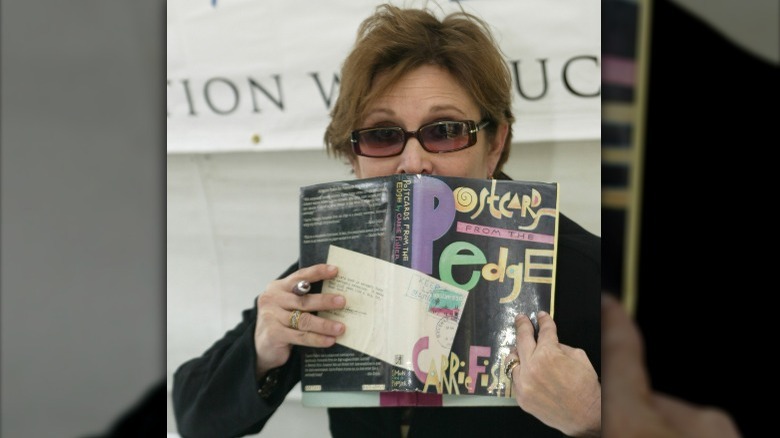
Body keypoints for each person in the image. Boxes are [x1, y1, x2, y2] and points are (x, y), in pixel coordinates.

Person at [172, 4, 601, 437]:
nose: (413, 163)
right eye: (382, 135)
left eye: (445, 130)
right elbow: (195, 419)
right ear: (352, 155)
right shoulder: (335, 266)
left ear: (495, 144)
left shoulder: (588, 273)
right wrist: (262, 348)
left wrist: (594, 418)